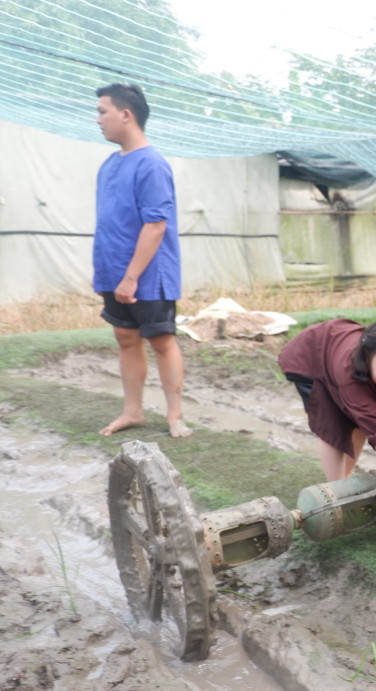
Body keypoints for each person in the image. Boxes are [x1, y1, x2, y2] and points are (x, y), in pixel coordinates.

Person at [92, 83, 190, 438]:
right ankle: (132, 411)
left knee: (161, 339)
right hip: (113, 270)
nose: (98, 119)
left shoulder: (151, 164)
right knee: (125, 337)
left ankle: (174, 416)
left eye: (102, 111)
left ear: (126, 114)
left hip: (147, 274)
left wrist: (132, 277)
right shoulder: (109, 164)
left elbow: (155, 225)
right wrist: (112, 272)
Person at [278, 316, 376, 488]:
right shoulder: (349, 375)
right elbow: (375, 424)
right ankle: (337, 489)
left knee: (359, 424)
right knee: (334, 424)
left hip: (338, 349)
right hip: (310, 357)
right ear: (368, 356)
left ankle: (345, 478)